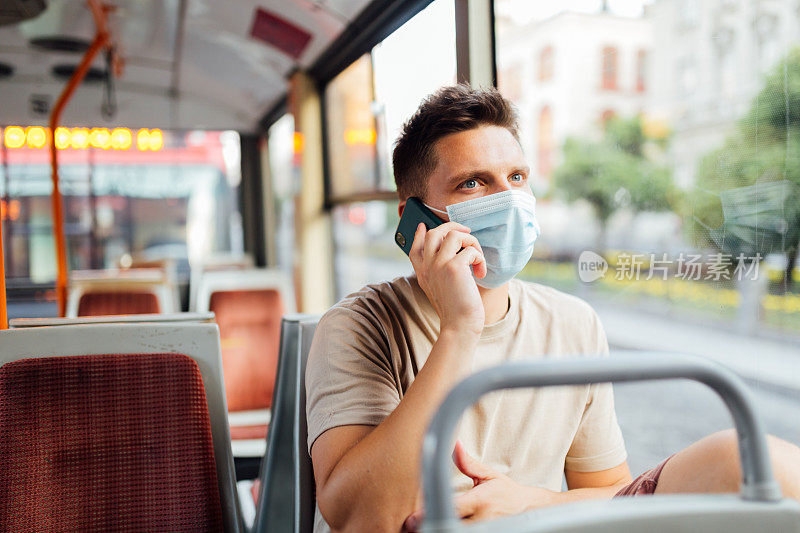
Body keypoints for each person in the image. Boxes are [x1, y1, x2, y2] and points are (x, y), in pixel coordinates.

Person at [305, 85, 800, 533]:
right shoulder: (357, 326)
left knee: (757, 464)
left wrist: (528, 504)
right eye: (474, 183)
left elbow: (609, 491)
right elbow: (360, 520)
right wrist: (460, 330)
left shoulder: (572, 322)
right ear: (414, 218)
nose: (510, 199)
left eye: (516, 176)